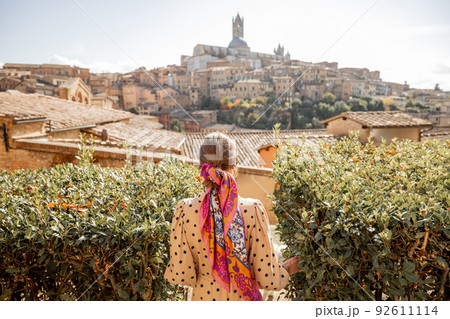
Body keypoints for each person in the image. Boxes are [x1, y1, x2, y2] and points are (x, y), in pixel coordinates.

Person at [164, 132, 300, 301]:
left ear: (202, 169)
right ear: (234, 167)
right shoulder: (253, 210)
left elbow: (181, 275)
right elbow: (268, 278)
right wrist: (286, 268)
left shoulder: (185, 211)